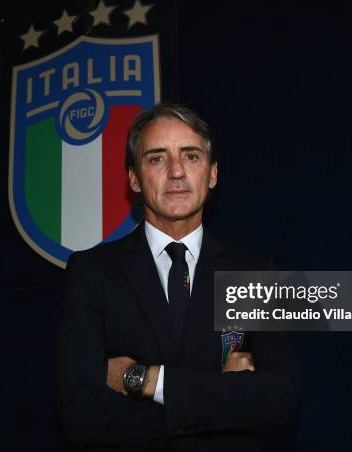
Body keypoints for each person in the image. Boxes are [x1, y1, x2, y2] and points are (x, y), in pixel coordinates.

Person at [57, 103, 300, 451]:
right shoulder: (92, 273)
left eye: (191, 157)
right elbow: (81, 416)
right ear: (134, 179)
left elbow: (280, 398)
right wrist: (224, 395)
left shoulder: (255, 272)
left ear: (213, 173)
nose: (175, 172)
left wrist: (144, 380)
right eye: (157, 158)